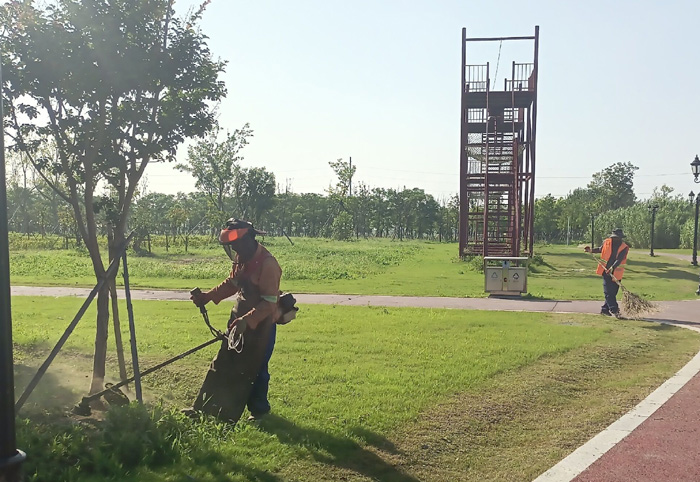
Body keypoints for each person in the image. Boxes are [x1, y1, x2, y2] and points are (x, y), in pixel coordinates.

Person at [188, 218, 282, 422]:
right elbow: (232, 283)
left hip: (262, 327)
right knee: (222, 362)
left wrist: (246, 321)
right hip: (238, 320)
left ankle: (259, 412)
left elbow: (269, 302)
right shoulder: (242, 258)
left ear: (248, 240)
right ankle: (203, 407)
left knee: (256, 369)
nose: (235, 250)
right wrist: (208, 296)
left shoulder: (268, 264)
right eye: (232, 246)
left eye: (237, 245)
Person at [584, 228, 629, 318]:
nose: (615, 239)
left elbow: (619, 259)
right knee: (608, 292)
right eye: (614, 237)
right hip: (605, 271)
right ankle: (615, 310)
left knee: (613, 293)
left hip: (616, 273)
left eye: (617, 238)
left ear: (620, 238)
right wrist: (591, 250)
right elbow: (600, 249)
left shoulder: (624, 247)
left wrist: (612, 268)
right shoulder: (606, 242)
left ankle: (605, 310)